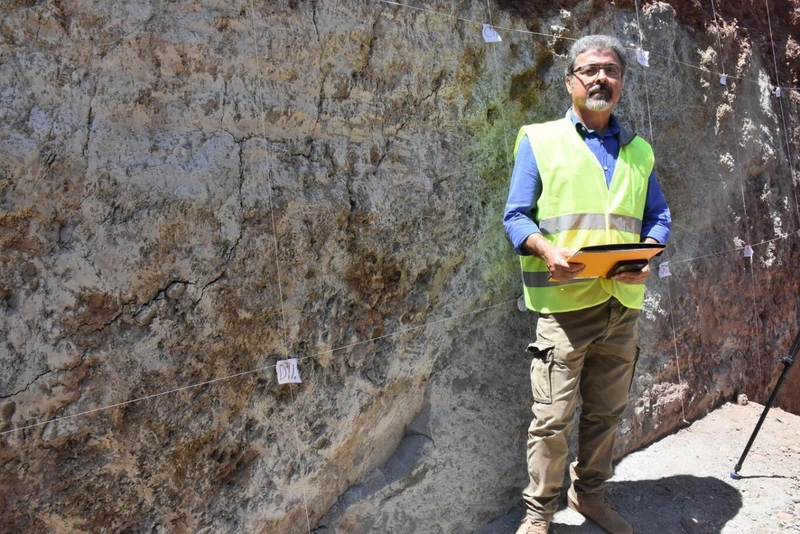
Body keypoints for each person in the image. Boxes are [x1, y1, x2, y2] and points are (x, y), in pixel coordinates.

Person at [503, 35, 671, 534]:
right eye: (590, 69)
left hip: (623, 305)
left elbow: (658, 217)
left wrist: (648, 254)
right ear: (570, 82)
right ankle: (538, 515)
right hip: (565, 308)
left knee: (607, 412)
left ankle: (590, 495)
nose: (601, 78)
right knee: (552, 419)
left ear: (622, 82)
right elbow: (516, 216)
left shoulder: (639, 151)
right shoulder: (540, 140)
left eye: (611, 70)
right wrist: (546, 251)